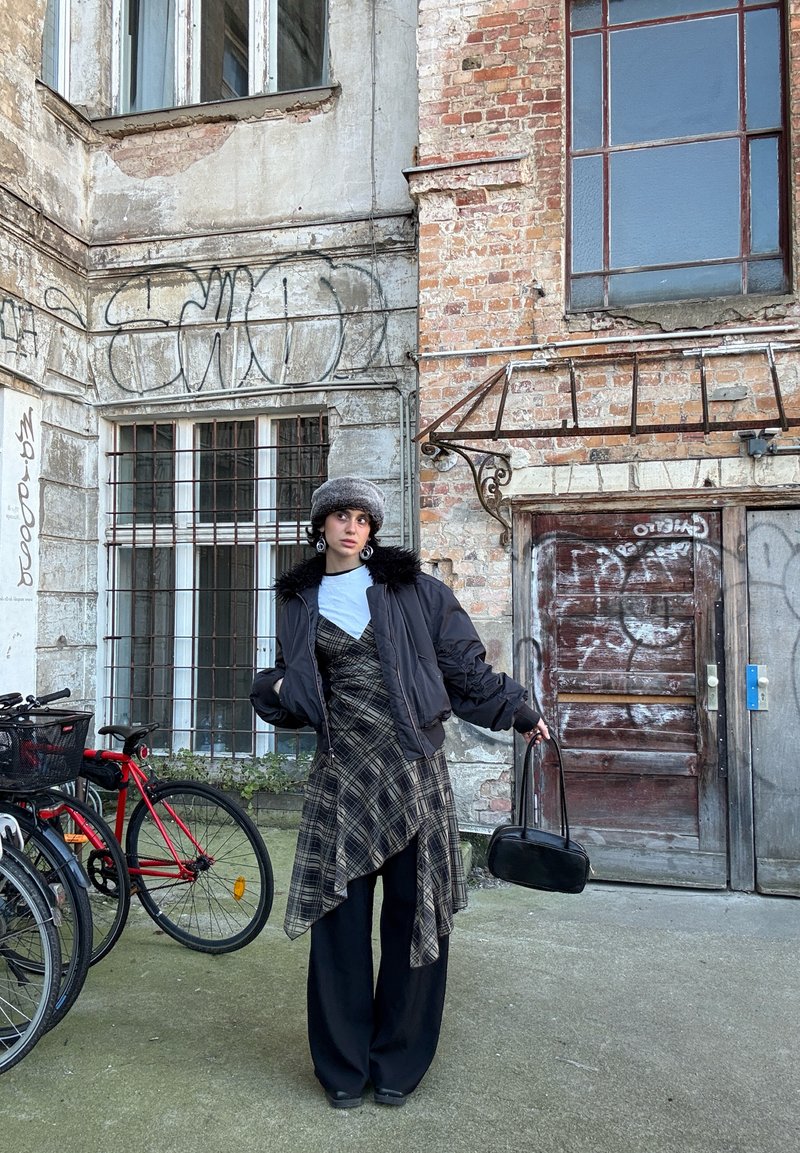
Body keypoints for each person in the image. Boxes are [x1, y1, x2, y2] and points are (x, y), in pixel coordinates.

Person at [250, 476, 549, 1110]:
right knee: (341, 926)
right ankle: (341, 1068)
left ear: (373, 528)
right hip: (344, 777)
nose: (352, 526)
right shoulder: (297, 600)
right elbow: (295, 683)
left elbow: (462, 666)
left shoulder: (414, 590)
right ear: (321, 525)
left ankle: (398, 1063)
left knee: (417, 918)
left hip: (415, 772)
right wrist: (272, 690)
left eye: (363, 517)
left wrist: (516, 710)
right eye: (341, 515)